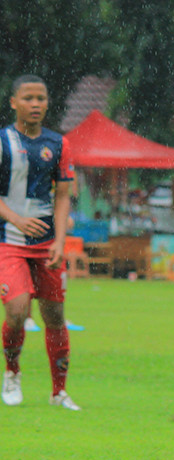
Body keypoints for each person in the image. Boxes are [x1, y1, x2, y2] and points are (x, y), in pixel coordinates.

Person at [0, 75, 79, 410]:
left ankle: (58, 391)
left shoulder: (58, 144)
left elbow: (63, 196)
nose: (35, 104)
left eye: (41, 98)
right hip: (9, 241)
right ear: (13, 102)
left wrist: (60, 241)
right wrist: (16, 219)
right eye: (28, 98)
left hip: (46, 243)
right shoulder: (3, 141)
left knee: (55, 316)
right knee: (17, 310)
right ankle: (12, 372)